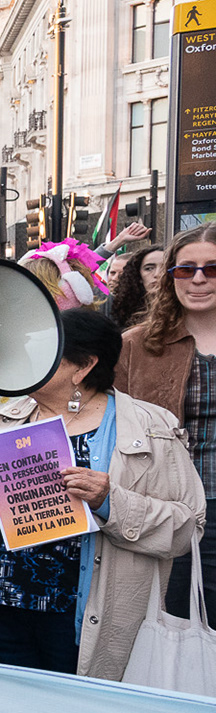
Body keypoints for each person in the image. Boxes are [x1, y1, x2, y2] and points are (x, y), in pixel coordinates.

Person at [0, 309, 201, 677]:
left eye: (41, 353)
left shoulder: (151, 429)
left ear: (83, 366)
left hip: (79, 623)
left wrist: (110, 502)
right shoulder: (5, 419)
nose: (24, 361)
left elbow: (186, 526)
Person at [115, 225, 216, 620]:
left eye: (212, 269)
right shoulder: (135, 346)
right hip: (167, 512)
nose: (199, 279)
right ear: (170, 275)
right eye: (186, 269)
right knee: (173, 625)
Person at [108, 244, 166, 330]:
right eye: (149, 268)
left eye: (164, 268)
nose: (157, 274)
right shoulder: (120, 309)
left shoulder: (185, 311)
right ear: (138, 275)